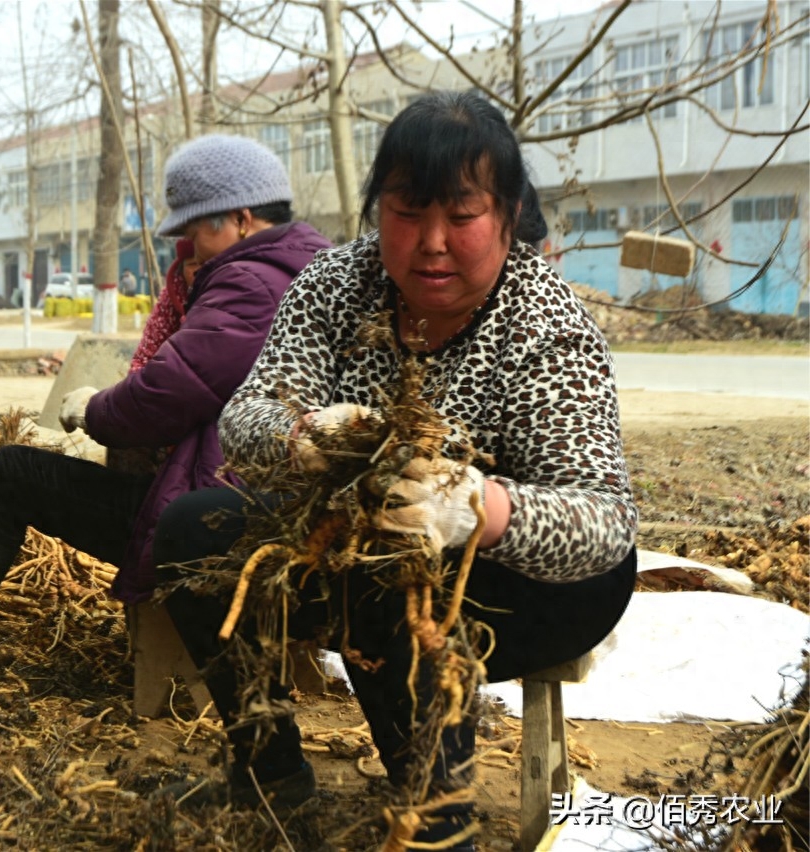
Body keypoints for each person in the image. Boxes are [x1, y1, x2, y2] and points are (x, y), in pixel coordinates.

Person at [153, 91, 638, 847]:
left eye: (462, 216)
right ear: (379, 208)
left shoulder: (547, 326)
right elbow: (245, 416)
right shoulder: (336, 286)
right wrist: (304, 435)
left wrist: (480, 507)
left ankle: (437, 826)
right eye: (407, 212)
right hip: (358, 543)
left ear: (508, 215)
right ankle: (269, 770)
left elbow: (603, 521)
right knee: (194, 529)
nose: (432, 242)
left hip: (535, 581)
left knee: (389, 579)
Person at [0, 134, 332, 671]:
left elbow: (159, 397)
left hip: (216, 519)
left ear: (239, 219)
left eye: (192, 231)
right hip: (268, 508)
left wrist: (90, 410)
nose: (187, 249)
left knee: (9, 474)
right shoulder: (312, 269)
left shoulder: (249, 284)